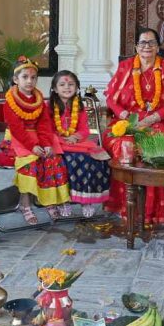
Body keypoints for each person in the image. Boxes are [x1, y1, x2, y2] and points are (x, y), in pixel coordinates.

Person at [102, 28, 164, 224]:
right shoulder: (125, 67)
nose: (147, 46)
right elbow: (111, 98)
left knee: (156, 146)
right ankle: (126, 205)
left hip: (156, 121)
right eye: (143, 43)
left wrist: (152, 118)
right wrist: (124, 116)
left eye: (151, 43)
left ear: (158, 47)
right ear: (136, 47)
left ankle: (154, 209)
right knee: (125, 145)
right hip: (125, 120)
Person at [2, 56, 71, 224]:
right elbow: (17, 129)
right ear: (15, 79)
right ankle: (25, 205)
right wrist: (33, 147)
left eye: (33, 78)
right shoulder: (10, 101)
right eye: (25, 77)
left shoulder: (39, 100)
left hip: (40, 137)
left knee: (53, 159)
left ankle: (49, 202)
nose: (29, 81)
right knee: (31, 163)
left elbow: (45, 125)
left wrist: (46, 144)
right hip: (19, 139)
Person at [48, 71, 111, 218]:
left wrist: (75, 137)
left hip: (77, 142)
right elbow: (47, 129)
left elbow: (84, 129)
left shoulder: (79, 106)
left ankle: (86, 200)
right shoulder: (49, 106)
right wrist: (63, 139)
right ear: (55, 89)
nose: (67, 87)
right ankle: (64, 200)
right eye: (62, 84)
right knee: (68, 160)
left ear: (77, 88)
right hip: (58, 143)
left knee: (95, 160)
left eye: (71, 84)